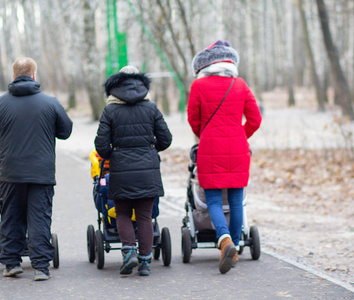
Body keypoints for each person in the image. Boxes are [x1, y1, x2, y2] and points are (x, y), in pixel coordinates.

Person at [0, 57, 73, 281]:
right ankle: (41, 267)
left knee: (11, 216)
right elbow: (66, 131)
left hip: (10, 172)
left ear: (13, 76)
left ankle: (12, 263)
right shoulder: (50, 103)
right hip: (41, 173)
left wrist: (3, 153)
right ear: (34, 75)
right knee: (40, 217)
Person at [187, 41, 262, 274]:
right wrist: (240, 134)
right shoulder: (239, 84)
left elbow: (193, 118)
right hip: (238, 148)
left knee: (214, 201)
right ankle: (235, 247)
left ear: (204, 65)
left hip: (209, 147)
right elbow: (255, 119)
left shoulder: (199, 86)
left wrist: (206, 135)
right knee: (237, 200)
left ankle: (225, 240)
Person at [94, 66, 172, 276]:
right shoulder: (151, 107)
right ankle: (146, 263)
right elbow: (166, 139)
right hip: (148, 169)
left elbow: (100, 145)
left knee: (122, 213)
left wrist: (114, 154)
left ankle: (129, 253)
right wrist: (150, 148)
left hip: (121, 169)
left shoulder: (110, 110)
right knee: (145, 216)